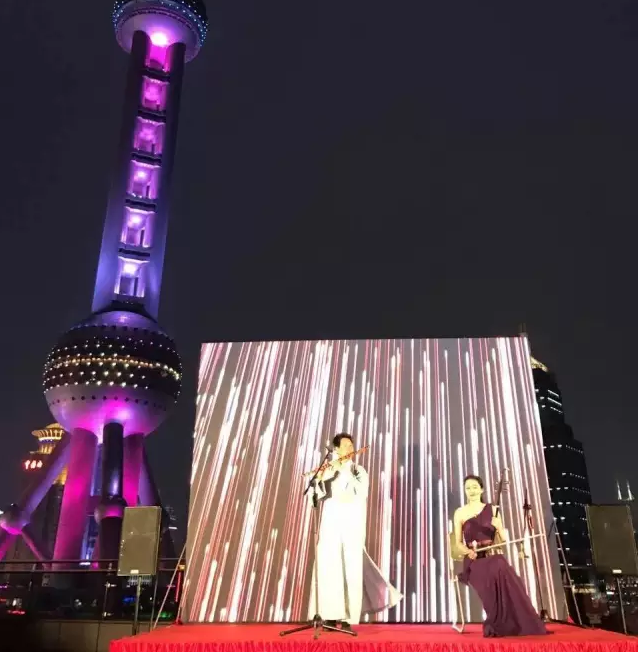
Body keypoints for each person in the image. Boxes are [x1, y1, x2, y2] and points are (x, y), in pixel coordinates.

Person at [308, 433, 402, 631]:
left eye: (351, 446)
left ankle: (349, 619)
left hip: (352, 524)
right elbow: (315, 495)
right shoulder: (328, 469)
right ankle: (329, 616)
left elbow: (361, 492)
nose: (350, 449)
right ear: (336, 450)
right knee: (330, 569)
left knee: (351, 570)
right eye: (345, 446)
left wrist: (343, 470)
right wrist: (323, 475)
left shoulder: (359, 471)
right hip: (331, 524)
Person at [453, 474, 548, 637]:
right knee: (497, 566)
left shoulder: (493, 509)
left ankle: (519, 622)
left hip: (492, 557)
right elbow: (458, 544)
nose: (471, 491)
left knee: (500, 564)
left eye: (475, 487)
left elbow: (503, 540)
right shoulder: (460, 513)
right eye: (468, 488)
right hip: (473, 561)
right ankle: (498, 621)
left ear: (481, 489)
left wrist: (499, 527)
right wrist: (468, 552)